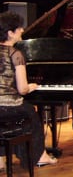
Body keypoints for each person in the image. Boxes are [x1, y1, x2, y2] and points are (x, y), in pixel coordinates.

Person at [0, 11, 57, 169]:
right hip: (9, 107)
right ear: (10, 33)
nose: (22, 31)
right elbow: (23, 89)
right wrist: (33, 86)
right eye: (19, 29)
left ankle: (0, 160)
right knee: (32, 113)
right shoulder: (16, 54)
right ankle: (40, 156)